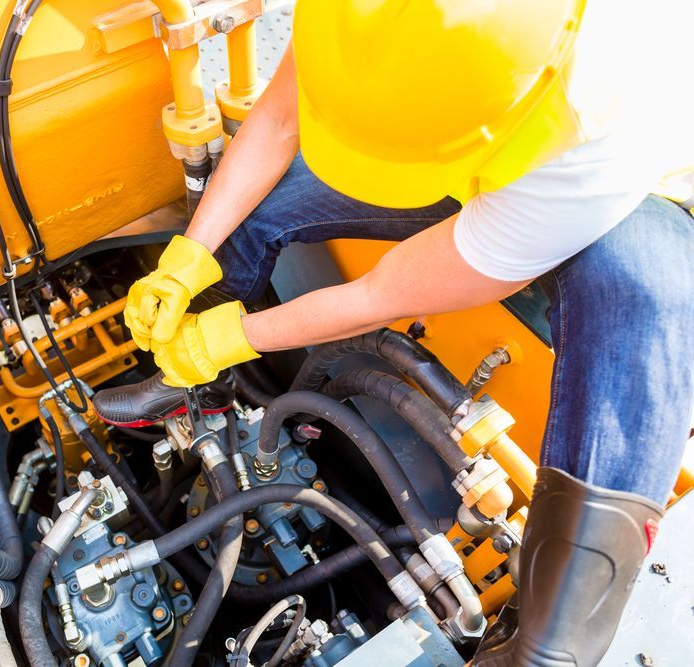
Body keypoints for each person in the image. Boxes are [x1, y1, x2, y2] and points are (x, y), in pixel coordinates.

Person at [93, 2, 694, 664]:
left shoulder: (604, 107)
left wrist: (232, 336)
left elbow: (381, 293)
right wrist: (189, 258)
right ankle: (186, 387)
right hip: (460, 136)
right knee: (252, 204)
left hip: (613, 197)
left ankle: (547, 648)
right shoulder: (373, 21)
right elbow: (279, 117)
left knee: (641, 291)